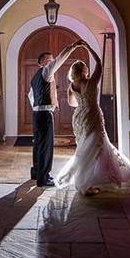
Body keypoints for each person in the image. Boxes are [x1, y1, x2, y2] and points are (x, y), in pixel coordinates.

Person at [56, 41, 130, 196]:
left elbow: (71, 103)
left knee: (85, 149)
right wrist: (87, 47)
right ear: (85, 70)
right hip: (92, 115)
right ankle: (89, 183)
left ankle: (87, 183)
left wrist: (82, 102)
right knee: (97, 149)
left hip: (79, 118)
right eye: (86, 69)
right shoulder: (91, 82)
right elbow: (99, 62)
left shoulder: (72, 86)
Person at [27, 39, 81, 187]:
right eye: (50, 60)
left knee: (38, 144)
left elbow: (30, 96)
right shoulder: (46, 71)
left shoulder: (34, 78)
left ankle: (36, 172)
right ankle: (43, 178)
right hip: (44, 115)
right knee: (46, 146)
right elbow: (60, 58)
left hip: (37, 114)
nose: (53, 63)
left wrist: (38, 106)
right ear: (43, 63)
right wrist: (73, 46)